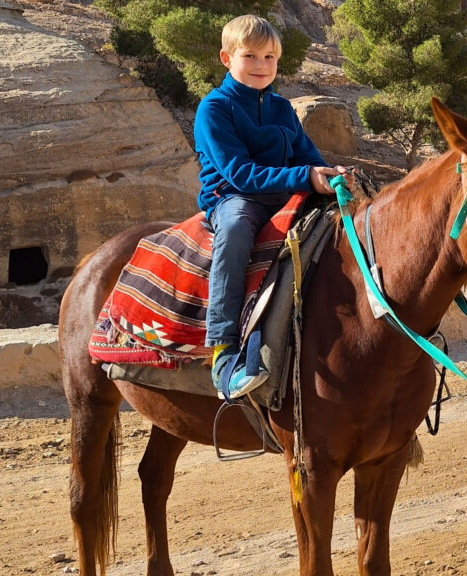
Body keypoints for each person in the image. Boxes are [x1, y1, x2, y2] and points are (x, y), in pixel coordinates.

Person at [195, 14, 351, 397]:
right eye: (250, 56)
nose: (261, 65)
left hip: (283, 195)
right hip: (235, 198)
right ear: (226, 58)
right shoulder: (214, 109)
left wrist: (331, 175)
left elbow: (307, 157)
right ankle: (223, 352)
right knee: (235, 231)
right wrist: (305, 176)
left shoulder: (282, 108)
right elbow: (240, 173)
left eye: (269, 57)